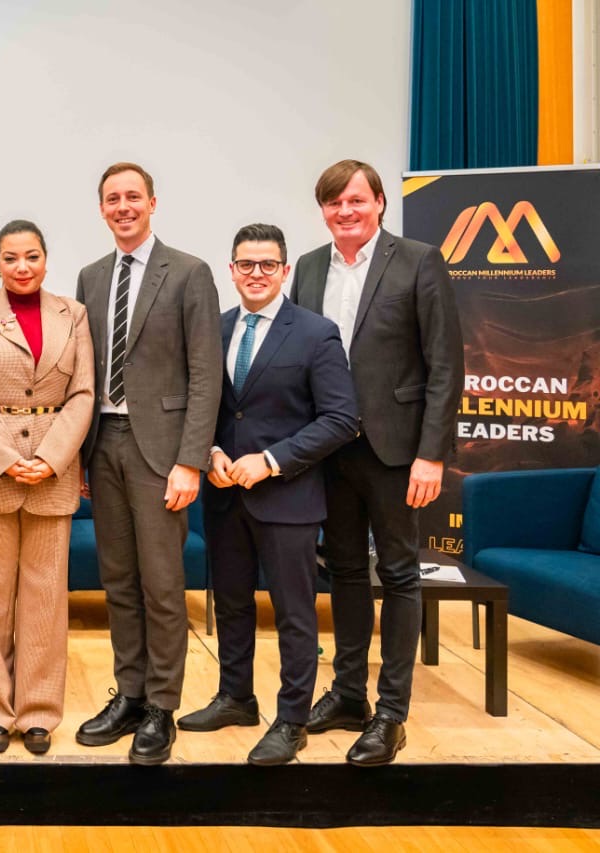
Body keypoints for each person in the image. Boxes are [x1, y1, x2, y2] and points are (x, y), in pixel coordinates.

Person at [291, 159, 463, 765]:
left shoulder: (418, 261)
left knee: (398, 575)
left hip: (395, 452)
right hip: (328, 450)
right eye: (334, 202)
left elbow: (445, 365)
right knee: (342, 572)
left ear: (380, 203)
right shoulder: (309, 267)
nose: (346, 211)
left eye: (357, 200)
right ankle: (348, 694)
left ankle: (392, 712)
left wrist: (431, 455)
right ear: (323, 210)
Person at [177, 223, 358, 765]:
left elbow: (341, 419)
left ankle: (292, 720)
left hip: (288, 498)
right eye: (246, 264)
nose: (256, 274)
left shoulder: (316, 333)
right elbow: (205, 405)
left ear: (284, 270)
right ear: (231, 270)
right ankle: (236, 697)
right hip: (224, 495)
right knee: (231, 604)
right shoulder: (214, 328)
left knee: (293, 614)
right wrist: (209, 452)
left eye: (267, 265)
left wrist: (272, 461)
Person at [74, 162, 223, 765]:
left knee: (162, 584)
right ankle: (130, 695)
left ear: (153, 203)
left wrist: (191, 461)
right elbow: (82, 371)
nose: (123, 206)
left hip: (160, 451)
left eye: (133, 196)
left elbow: (206, 374)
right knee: (118, 581)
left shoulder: (189, 272)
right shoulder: (90, 277)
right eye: (112, 198)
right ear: (101, 209)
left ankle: (162, 704)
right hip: (102, 442)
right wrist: (78, 455)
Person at [0, 220, 94, 756]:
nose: (22, 267)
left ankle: (37, 712)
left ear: (45, 259)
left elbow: (83, 392)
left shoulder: (72, 313)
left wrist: (52, 458)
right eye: (11, 258)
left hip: (53, 472)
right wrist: (8, 458)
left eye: (32, 256)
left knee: (45, 599)